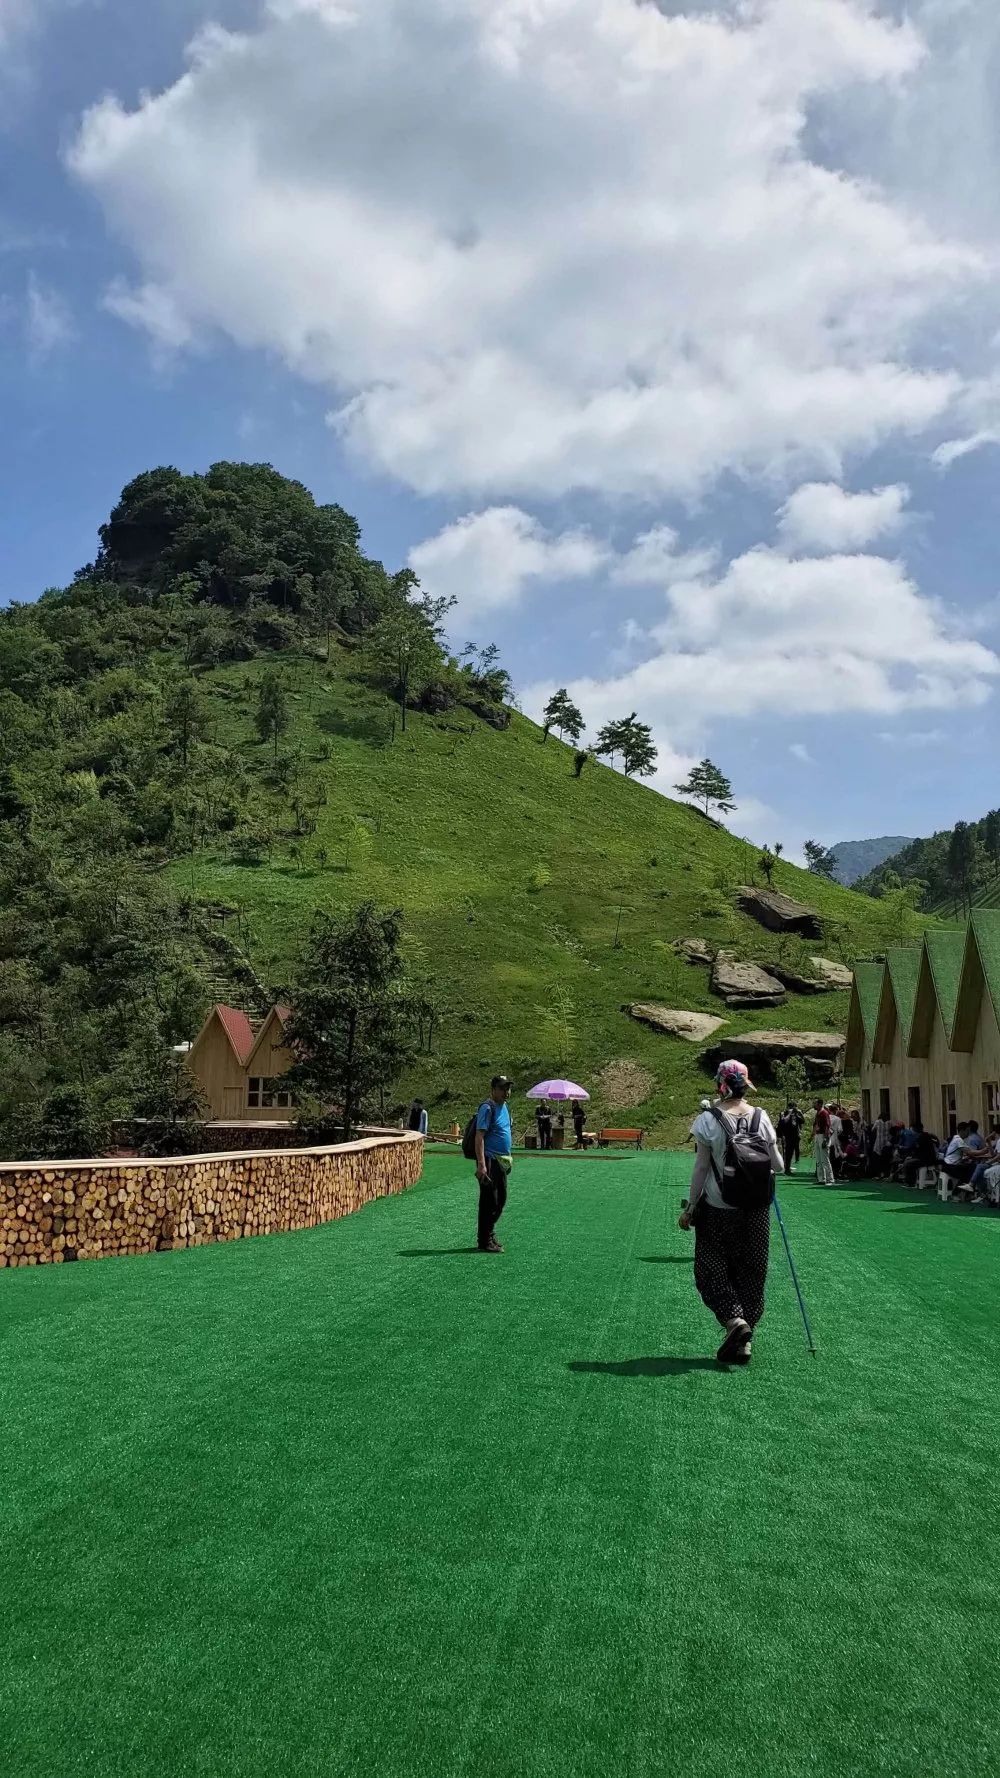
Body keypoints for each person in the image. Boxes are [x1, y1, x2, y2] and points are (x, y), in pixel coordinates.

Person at [679, 1060, 784, 1366]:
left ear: (719, 1085)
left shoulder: (707, 1120)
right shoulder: (761, 1117)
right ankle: (744, 1343)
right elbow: (777, 1165)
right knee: (751, 1272)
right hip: (755, 1210)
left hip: (718, 1207)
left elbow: (700, 1167)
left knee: (710, 1268)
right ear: (746, 1084)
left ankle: (734, 1322)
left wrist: (691, 1205)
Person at [475, 1075, 513, 1253]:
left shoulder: (505, 1107)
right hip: (489, 1160)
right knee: (490, 1201)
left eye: (508, 1088)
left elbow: (505, 1132)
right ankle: (484, 1239)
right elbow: (479, 1137)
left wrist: (509, 1157)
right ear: (493, 1090)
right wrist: (481, 1165)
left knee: (501, 1199)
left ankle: (488, 1234)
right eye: (503, 1088)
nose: (506, 1092)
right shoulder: (487, 1108)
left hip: (502, 1161)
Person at [941, 1121, 974, 1190]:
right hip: (949, 1166)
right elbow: (969, 1152)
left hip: (947, 1164)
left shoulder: (956, 1138)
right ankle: (957, 1192)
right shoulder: (958, 1140)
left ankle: (963, 1192)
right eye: (967, 1131)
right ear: (962, 1131)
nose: (968, 1133)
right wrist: (983, 1151)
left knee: (969, 1167)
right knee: (970, 1171)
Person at [776, 1102, 803, 1176]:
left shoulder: (796, 1114)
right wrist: (789, 1113)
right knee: (786, 1153)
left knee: (790, 1153)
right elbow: (783, 1122)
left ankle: (788, 1167)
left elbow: (802, 1121)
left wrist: (799, 1113)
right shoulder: (784, 1113)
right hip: (786, 1136)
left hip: (794, 1136)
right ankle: (786, 1169)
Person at [813, 1099, 834, 1185]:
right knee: (818, 1159)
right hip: (818, 1135)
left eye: (815, 1103)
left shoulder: (824, 1113)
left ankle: (830, 1179)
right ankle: (821, 1178)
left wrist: (825, 1139)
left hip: (823, 1135)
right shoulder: (818, 1113)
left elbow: (827, 1126)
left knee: (825, 1159)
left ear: (820, 1104)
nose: (814, 1105)